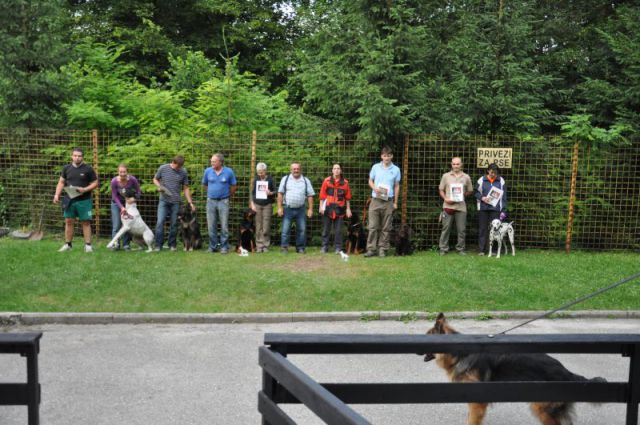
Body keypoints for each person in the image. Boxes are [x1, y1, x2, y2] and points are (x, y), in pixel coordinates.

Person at [53, 148, 99, 253]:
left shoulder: (88, 169)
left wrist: (85, 189)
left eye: (79, 156)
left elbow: (95, 183)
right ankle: (68, 245)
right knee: (68, 221)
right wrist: (56, 195)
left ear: (82, 157)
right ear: (71, 156)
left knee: (86, 222)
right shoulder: (66, 168)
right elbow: (61, 182)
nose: (77, 158)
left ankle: (88, 246)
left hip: (84, 200)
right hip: (70, 200)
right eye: (75, 155)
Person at [364, 146, 401, 258]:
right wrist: (374, 187)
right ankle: (371, 249)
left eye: (389, 155)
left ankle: (383, 249)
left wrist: (395, 202)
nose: (386, 157)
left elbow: (397, 186)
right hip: (375, 200)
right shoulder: (375, 167)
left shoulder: (396, 170)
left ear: (391, 156)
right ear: (381, 156)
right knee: (372, 226)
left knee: (386, 227)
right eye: (384, 155)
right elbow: (370, 180)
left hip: (388, 201)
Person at [153, 155, 195, 251]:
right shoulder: (163, 168)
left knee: (174, 224)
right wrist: (160, 187)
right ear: (173, 162)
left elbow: (186, 188)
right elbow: (155, 179)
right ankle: (158, 245)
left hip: (176, 202)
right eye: (177, 166)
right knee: (160, 222)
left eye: (180, 167)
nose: (179, 168)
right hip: (163, 200)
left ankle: (172, 245)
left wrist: (190, 202)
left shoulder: (183, 172)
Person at [202, 153, 237, 254]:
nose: (211, 163)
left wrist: (227, 195)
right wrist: (211, 193)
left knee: (224, 225)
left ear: (220, 162)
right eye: (211, 161)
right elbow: (204, 185)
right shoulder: (207, 171)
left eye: (214, 161)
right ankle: (213, 247)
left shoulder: (229, 171)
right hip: (210, 201)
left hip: (224, 201)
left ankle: (224, 247)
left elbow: (234, 186)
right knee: (211, 225)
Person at [438, 157, 474, 255]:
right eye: (454, 164)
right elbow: (441, 190)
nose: (455, 166)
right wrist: (445, 198)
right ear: (451, 164)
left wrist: (462, 195)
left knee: (461, 230)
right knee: (446, 228)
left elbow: (470, 190)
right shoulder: (446, 176)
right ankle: (443, 248)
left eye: (457, 164)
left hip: (461, 207)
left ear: (461, 165)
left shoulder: (466, 177)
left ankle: (460, 249)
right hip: (448, 206)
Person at [277, 162, 315, 254]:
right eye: (294, 169)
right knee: (285, 230)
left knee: (302, 230)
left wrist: (310, 209)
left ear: (300, 170)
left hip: (301, 209)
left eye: (298, 169)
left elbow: (310, 195)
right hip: (287, 208)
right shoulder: (285, 179)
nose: (296, 170)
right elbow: (280, 193)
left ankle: (300, 248)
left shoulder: (305, 180)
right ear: (291, 170)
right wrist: (279, 207)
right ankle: (284, 248)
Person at [475, 163, 507, 255]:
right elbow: (476, 192)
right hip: (483, 208)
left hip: (495, 209)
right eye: (491, 172)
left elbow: (504, 197)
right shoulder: (481, 180)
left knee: (495, 230)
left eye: (495, 172)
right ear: (488, 170)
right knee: (483, 229)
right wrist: (482, 198)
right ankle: (481, 250)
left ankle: (493, 250)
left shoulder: (501, 181)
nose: (493, 174)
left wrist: (503, 210)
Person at [319, 163, 352, 253]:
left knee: (338, 231)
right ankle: (324, 247)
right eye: (335, 168)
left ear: (341, 170)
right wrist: (321, 207)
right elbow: (322, 195)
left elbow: (348, 197)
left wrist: (348, 209)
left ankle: (338, 248)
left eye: (338, 168)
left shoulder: (345, 183)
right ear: (332, 170)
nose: (336, 170)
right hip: (328, 208)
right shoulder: (326, 181)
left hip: (339, 209)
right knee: (326, 229)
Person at [109, 164, 141, 251]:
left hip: (129, 205)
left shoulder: (132, 179)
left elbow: (139, 192)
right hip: (116, 204)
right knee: (116, 225)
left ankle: (126, 244)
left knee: (127, 224)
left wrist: (134, 199)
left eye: (124, 172)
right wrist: (122, 207)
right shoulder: (114, 181)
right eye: (121, 172)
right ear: (118, 172)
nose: (123, 174)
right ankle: (115, 244)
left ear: (127, 172)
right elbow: (114, 196)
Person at [250, 162, 275, 253]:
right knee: (258, 225)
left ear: (265, 171)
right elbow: (252, 193)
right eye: (259, 172)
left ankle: (266, 245)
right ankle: (259, 245)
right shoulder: (256, 180)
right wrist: (252, 204)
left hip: (267, 205)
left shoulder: (270, 179)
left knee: (266, 225)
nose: (260, 174)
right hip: (257, 204)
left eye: (262, 172)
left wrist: (271, 193)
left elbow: (275, 191)